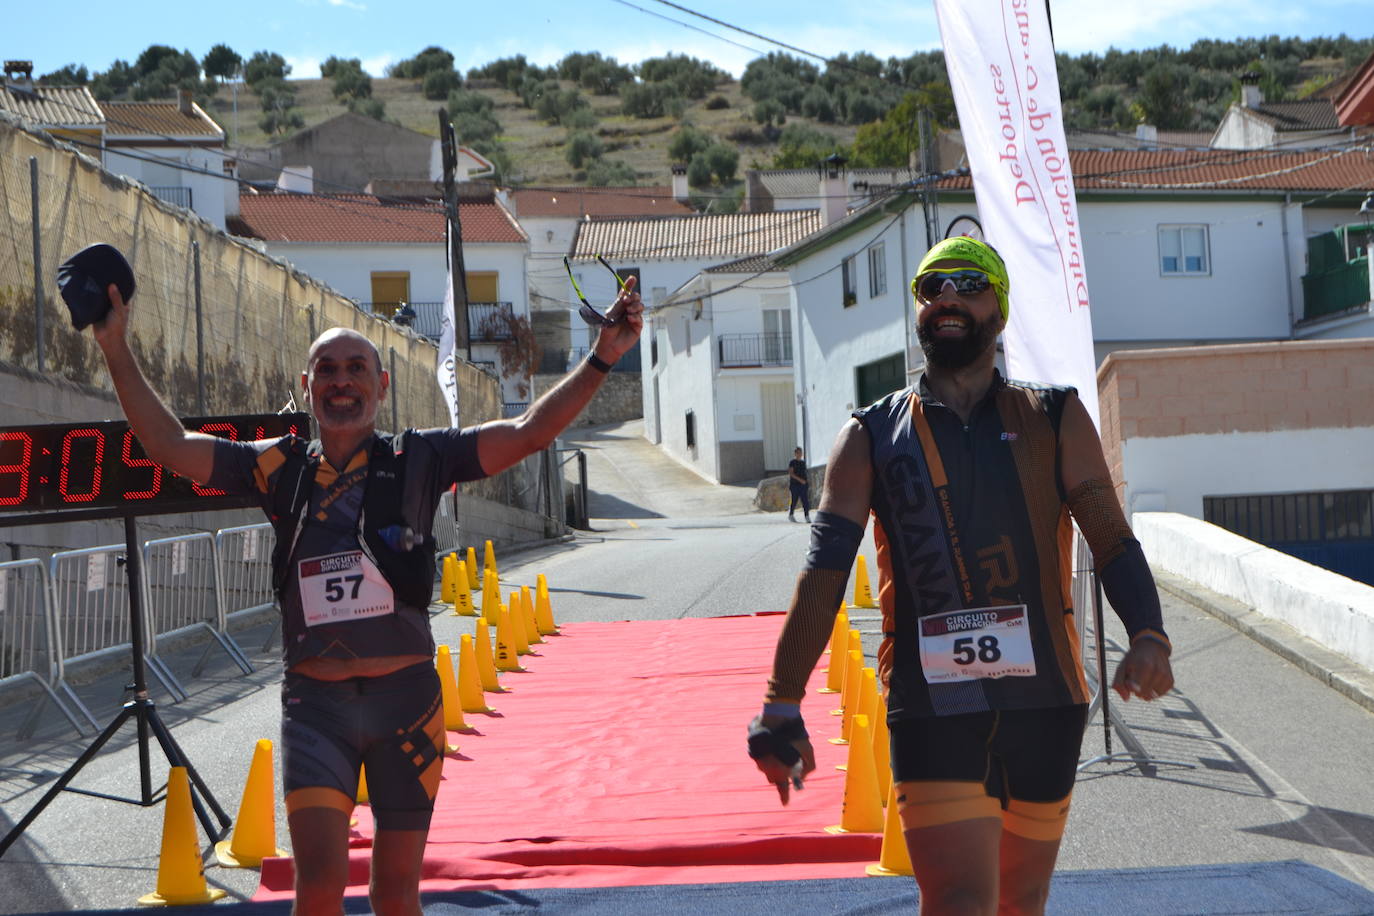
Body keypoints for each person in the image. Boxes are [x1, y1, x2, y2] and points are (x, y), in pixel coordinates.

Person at [90, 276, 643, 916]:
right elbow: (169, 446)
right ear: (307, 388)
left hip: (407, 704)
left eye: (357, 368)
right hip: (316, 707)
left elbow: (527, 431)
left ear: (383, 386)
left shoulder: (423, 457)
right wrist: (114, 347)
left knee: (394, 894)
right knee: (319, 890)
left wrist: (602, 354)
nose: (341, 380)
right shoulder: (278, 466)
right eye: (325, 369)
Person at [746, 236, 1174, 916]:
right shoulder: (869, 435)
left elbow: (1111, 537)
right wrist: (781, 700)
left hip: (1046, 702)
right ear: (918, 312)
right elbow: (825, 572)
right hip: (931, 704)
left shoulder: (1053, 417)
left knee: (1020, 900)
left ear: (999, 311)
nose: (947, 296)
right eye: (931, 287)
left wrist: (1149, 633)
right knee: (958, 901)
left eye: (969, 284)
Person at [786, 447, 810, 523]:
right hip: (795, 485)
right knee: (794, 500)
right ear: (795, 454)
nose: (800, 454)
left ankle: (807, 516)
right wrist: (800, 480)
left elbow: (805, 473)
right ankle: (791, 515)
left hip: (803, 485)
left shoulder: (803, 463)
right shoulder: (792, 462)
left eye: (801, 453)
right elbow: (791, 473)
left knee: (805, 501)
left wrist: (806, 482)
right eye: (798, 453)